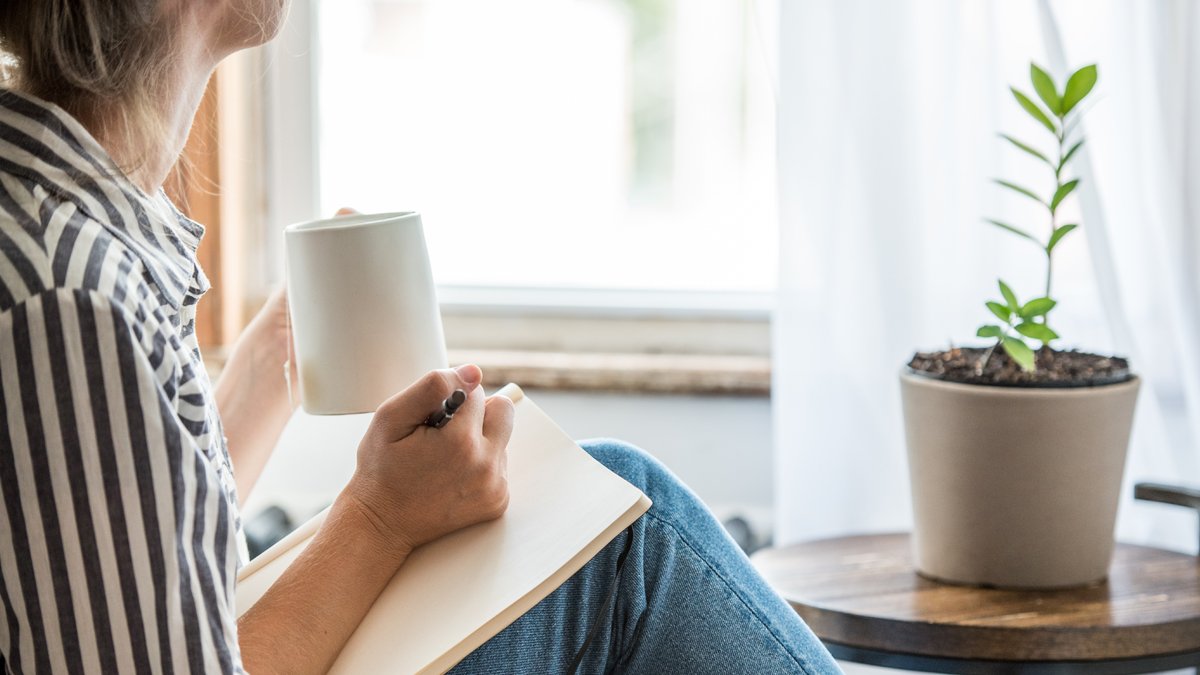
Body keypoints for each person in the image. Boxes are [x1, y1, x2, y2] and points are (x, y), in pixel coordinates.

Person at [0, 1, 840, 673]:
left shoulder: (62, 230)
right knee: (628, 533)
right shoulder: (73, 300)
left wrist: (267, 368)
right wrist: (376, 515)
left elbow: (123, 560)